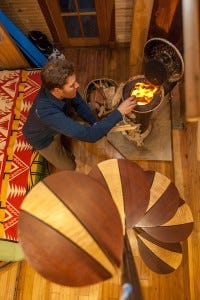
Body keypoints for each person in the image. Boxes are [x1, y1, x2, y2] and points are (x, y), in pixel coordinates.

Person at [22, 58, 136, 171]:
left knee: (87, 123)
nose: (77, 85)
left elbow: (79, 103)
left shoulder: (54, 85)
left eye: (75, 81)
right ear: (57, 91)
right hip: (45, 138)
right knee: (70, 166)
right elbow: (91, 136)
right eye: (72, 85)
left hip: (61, 116)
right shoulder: (45, 111)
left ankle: (74, 128)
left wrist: (94, 123)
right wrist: (120, 112)